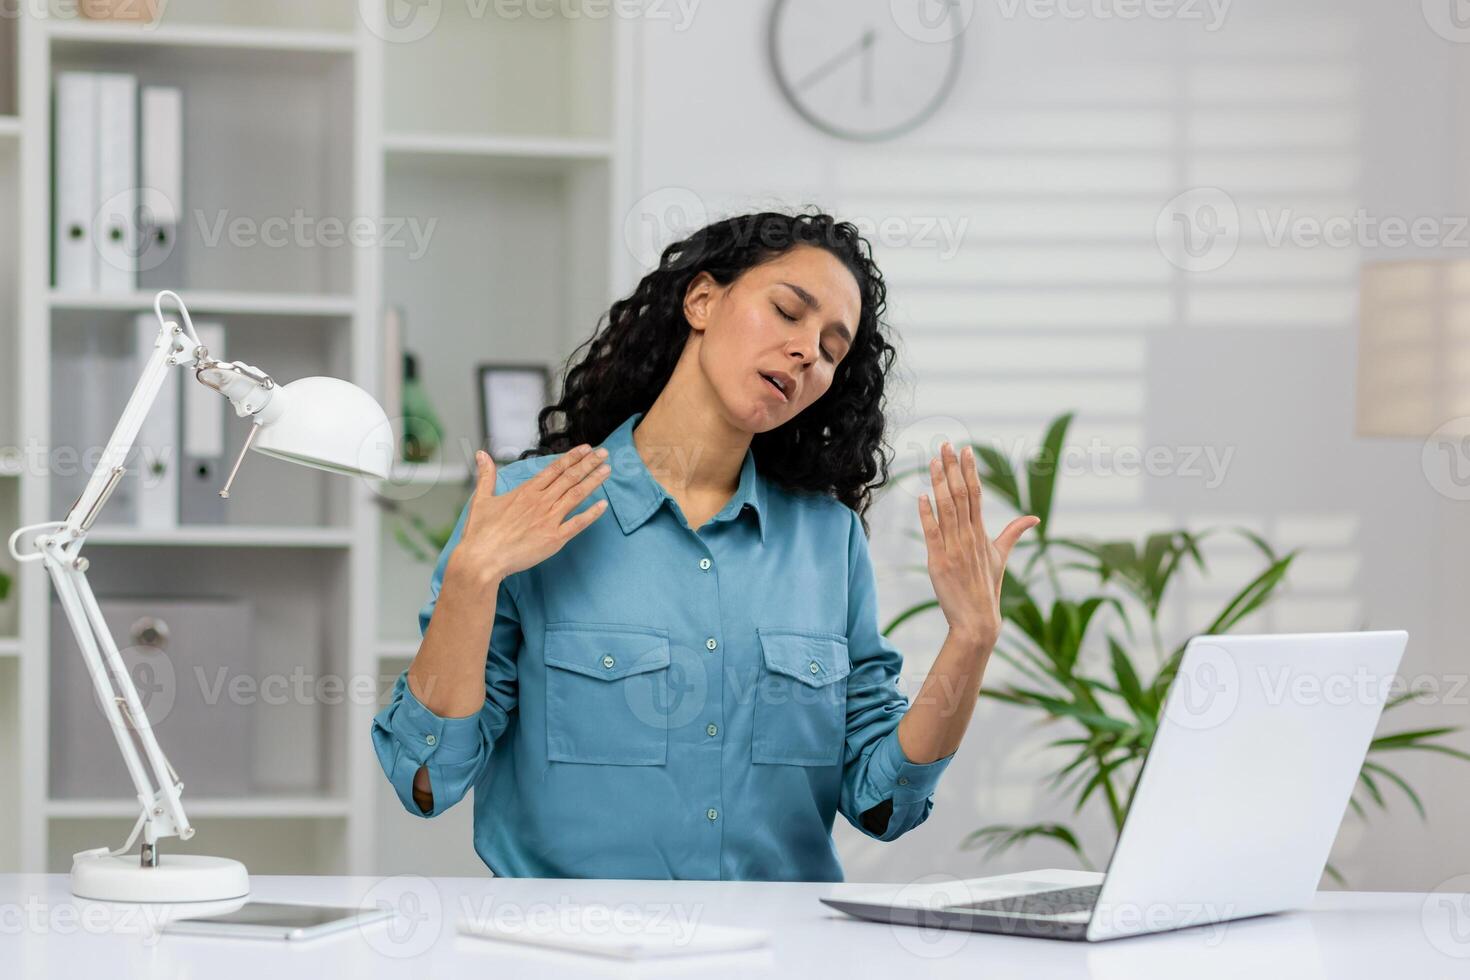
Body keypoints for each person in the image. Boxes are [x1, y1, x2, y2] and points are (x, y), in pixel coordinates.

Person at [371, 210, 1038, 880]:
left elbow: (881, 798)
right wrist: (470, 581)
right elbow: (426, 778)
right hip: (571, 955)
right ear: (701, 300)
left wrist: (971, 638)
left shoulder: (827, 542)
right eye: (786, 311)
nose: (808, 351)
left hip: (780, 953)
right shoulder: (526, 508)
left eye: (832, 350)